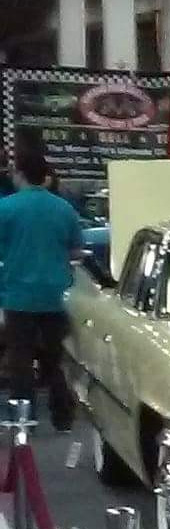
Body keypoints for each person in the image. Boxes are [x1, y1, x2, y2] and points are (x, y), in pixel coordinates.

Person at [0, 152, 84, 430]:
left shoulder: (5, 208)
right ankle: (63, 415)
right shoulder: (64, 209)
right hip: (57, 296)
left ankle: (24, 418)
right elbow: (76, 250)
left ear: (19, 175)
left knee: (20, 358)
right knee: (55, 356)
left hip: (17, 295)